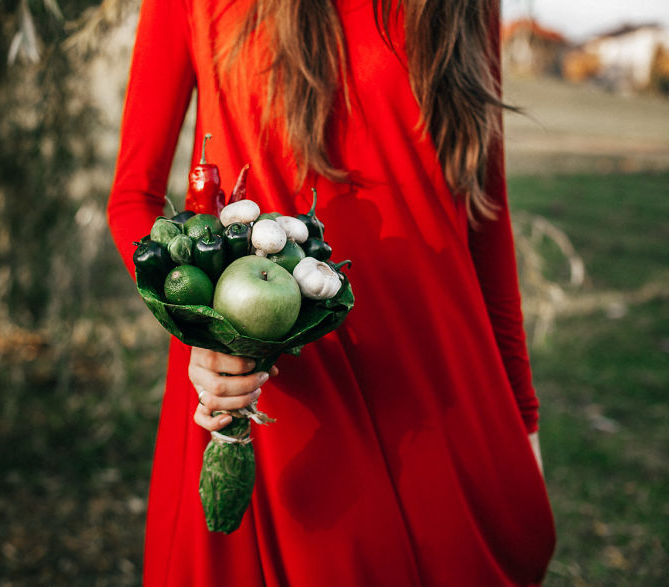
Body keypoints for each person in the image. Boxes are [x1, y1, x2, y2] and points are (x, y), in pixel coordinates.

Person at [107, 0, 556, 584]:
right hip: (279, 383)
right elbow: (132, 196)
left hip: (439, 381)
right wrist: (199, 329)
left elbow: (483, 216)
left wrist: (523, 415)